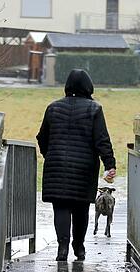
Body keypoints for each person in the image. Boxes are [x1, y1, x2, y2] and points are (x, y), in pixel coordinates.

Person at [36, 69, 116, 261]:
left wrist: (50, 155)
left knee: (61, 207)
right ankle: (79, 248)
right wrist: (109, 164)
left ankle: (62, 248)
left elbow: (42, 137)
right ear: (88, 87)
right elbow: (101, 140)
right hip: (84, 168)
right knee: (81, 208)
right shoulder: (94, 109)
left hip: (57, 166)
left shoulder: (53, 108)